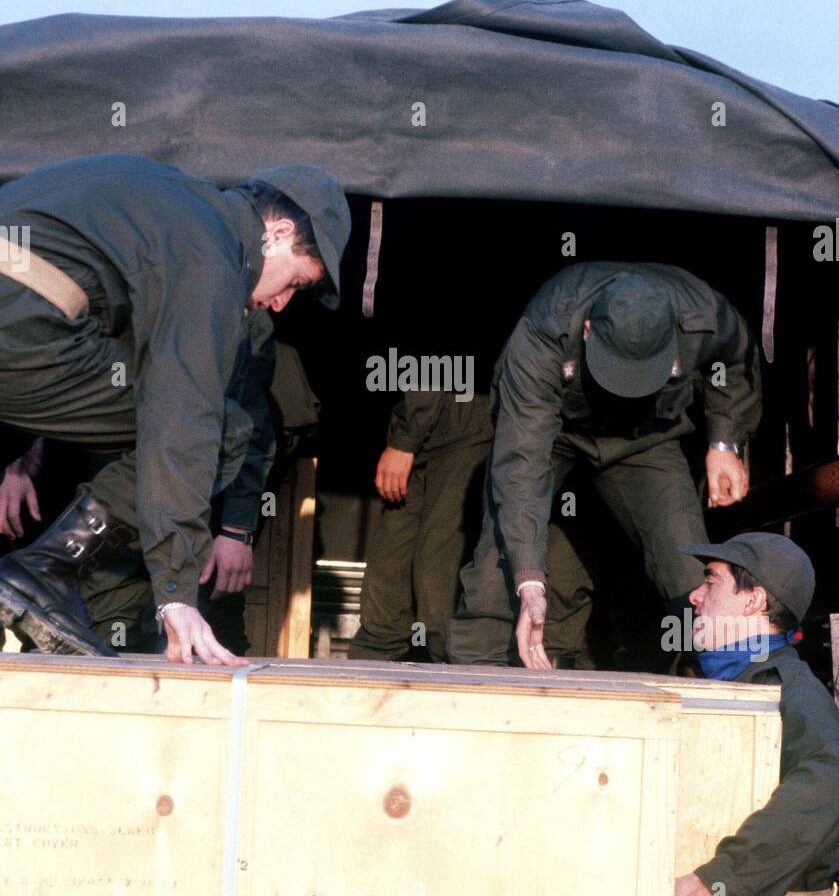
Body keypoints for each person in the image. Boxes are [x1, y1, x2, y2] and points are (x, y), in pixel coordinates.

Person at [0, 153, 349, 665]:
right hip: (22, 330)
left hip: (20, 319)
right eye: (295, 282)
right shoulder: (210, 256)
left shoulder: (163, 195)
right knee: (226, 427)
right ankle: (47, 569)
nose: (281, 304)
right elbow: (181, 420)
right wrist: (175, 592)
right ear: (276, 232)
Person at [448, 262, 761, 670]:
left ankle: (717, 684)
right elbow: (522, 462)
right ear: (588, 331)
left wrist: (724, 441)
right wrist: (529, 583)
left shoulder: (703, 315)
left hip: (646, 438)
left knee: (689, 572)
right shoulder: (546, 328)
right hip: (555, 431)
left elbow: (740, 362)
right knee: (501, 558)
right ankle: (475, 688)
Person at [671, 532, 839, 896]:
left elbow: (829, 786)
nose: (695, 597)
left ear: (755, 599)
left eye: (711, 581)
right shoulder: (733, 685)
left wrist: (717, 884)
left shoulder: (792, 691)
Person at [350, 389, 492, 662]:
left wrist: (405, 440)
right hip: (434, 427)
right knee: (388, 580)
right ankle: (371, 675)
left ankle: (447, 678)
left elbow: (434, 362)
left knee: (437, 577)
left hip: (464, 422)